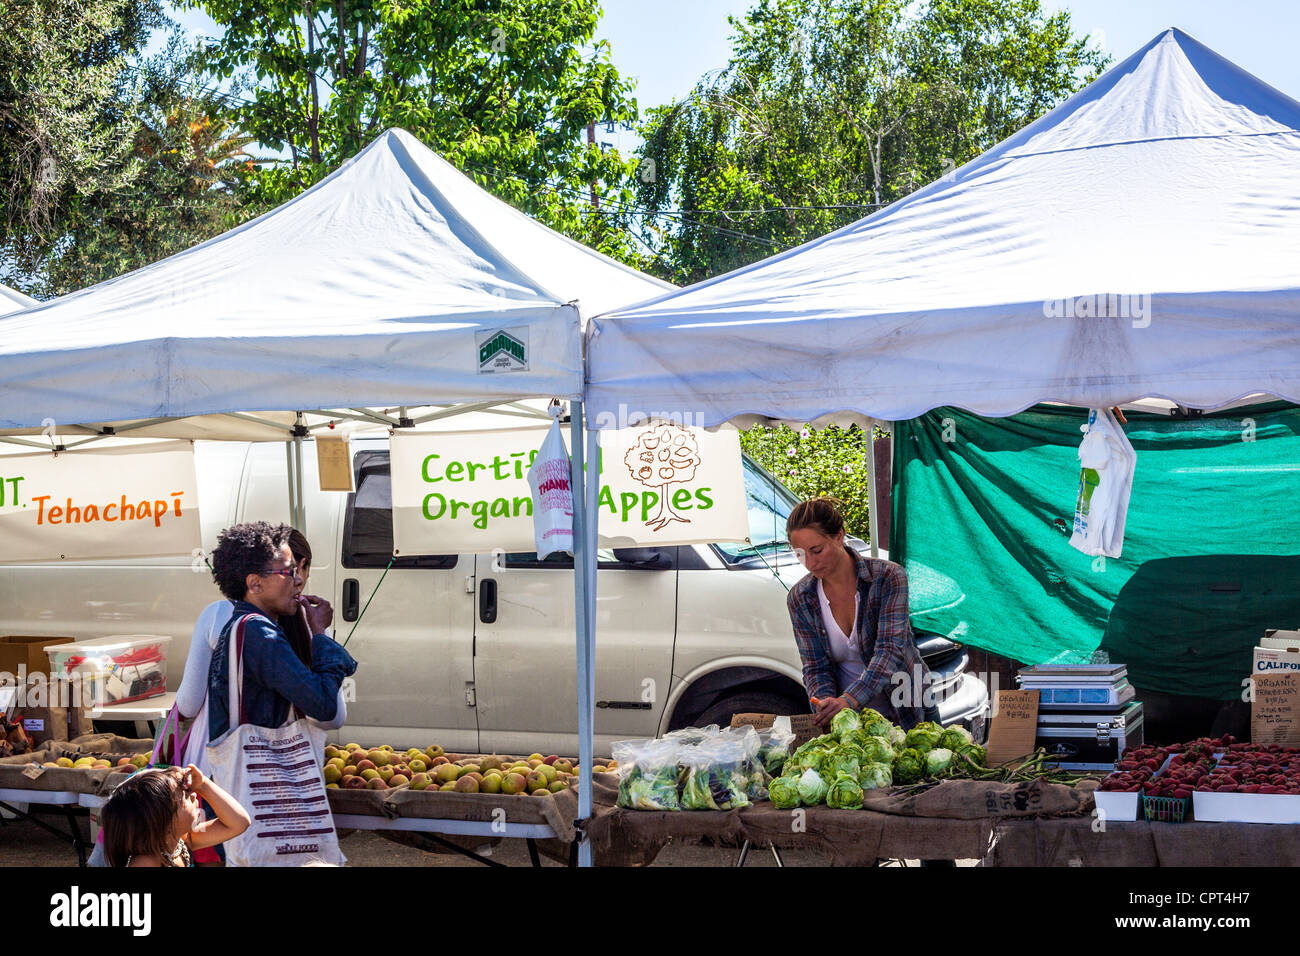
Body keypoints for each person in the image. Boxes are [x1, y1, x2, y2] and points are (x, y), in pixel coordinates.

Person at [176, 527, 347, 731]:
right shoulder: (261, 633)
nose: (299, 581)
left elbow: (187, 705)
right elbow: (328, 712)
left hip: (220, 755)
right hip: (251, 759)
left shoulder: (228, 617)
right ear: (255, 583)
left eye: (295, 571)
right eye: (288, 572)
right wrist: (320, 633)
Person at [785, 496, 929, 731]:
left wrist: (848, 700)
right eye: (800, 554)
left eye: (817, 550)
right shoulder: (800, 598)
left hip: (907, 706)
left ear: (839, 536)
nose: (809, 562)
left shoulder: (888, 577)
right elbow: (815, 665)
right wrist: (826, 704)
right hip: (852, 723)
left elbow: (890, 650)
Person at [102, 764, 251, 867]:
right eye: (185, 796)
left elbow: (239, 823)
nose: (193, 795)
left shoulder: (181, 843)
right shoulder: (146, 862)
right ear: (162, 821)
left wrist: (203, 784)